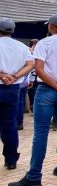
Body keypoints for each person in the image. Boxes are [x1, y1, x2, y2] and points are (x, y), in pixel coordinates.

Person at [9, 14, 57, 186]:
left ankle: (34, 176)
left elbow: (39, 70)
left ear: (51, 26)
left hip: (48, 89)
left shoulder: (44, 43)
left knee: (41, 133)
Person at [0, 18, 34, 170]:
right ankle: (11, 159)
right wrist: (15, 76)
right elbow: (31, 64)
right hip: (13, 88)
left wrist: (2, 76)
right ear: (12, 31)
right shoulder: (21, 47)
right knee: (9, 125)